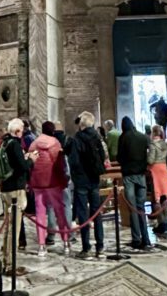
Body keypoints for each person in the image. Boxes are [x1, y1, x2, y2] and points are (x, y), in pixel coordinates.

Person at [65, 111, 107, 259]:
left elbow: (74, 161)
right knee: (96, 213)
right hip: (94, 180)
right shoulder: (97, 137)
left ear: (81, 124)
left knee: (83, 214)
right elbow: (102, 156)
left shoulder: (78, 138)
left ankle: (86, 248)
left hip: (82, 181)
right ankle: (100, 247)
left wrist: (76, 175)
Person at [1, 117, 38, 276]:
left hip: (6, 189)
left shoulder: (4, 142)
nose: (23, 133)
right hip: (15, 190)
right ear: (17, 131)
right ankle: (10, 265)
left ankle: (6, 261)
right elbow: (22, 167)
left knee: (8, 227)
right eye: (22, 130)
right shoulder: (15, 144)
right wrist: (32, 160)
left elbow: (14, 163)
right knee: (13, 229)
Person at [28, 121, 72, 256]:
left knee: (40, 213)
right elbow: (59, 164)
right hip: (53, 181)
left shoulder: (34, 143)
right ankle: (65, 242)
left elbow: (30, 164)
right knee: (59, 211)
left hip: (38, 182)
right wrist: (63, 180)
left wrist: (30, 181)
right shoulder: (55, 143)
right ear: (53, 131)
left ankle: (41, 246)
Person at [117, 116, 152, 251]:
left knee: (132, 208)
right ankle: (146, 238)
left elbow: (119, 157)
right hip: (141, 175)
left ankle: (136, 239)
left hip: (128, 176)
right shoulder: (143, 137)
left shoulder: (123, 138)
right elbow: (148, 154)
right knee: (141, 207)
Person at [147, 125, 167, 236]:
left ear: (153, 133)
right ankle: (166, 223)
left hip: (155, 171)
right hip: (164, 168)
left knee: (156, 198)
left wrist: (146, 157)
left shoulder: (153, 144)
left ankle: (161, 224)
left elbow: (151, 159)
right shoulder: (164, 143)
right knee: (164, 196)